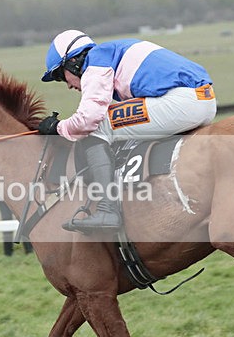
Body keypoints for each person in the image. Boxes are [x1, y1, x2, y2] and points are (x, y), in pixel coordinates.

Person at [37, 29, 216, 233]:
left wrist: (57, 128)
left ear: (73, 62)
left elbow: (88, 120)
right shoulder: (110, 52)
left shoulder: (96, 61)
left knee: (98, 127)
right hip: (203, 99)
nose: (68, 85)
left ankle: (106, 210)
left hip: (185, 102)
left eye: (61, 76)